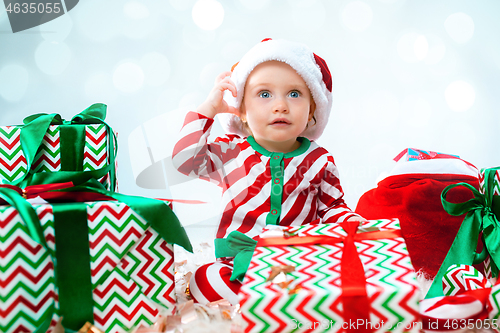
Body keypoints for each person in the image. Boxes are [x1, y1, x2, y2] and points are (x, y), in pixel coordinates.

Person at [172, 38, 365, 305]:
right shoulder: (231, 152)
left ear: (312, 111)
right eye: (264, 94)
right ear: (241, 110)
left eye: (295, 94)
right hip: (238, 263)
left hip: (298, 263)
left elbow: (332, 207)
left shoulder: (319, 160)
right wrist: (209, 109)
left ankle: (278, 304)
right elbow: (184, 160)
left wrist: (355, 225)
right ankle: (271, 306)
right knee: (205, 279)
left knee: (333, 285)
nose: (280, 105)